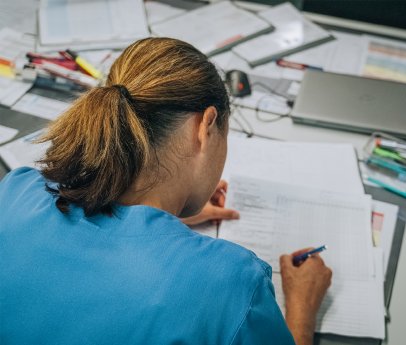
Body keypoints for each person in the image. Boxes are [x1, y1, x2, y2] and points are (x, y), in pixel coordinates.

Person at [0, 38, 332, 345]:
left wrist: (159, 222)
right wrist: (302, 311)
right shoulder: (232, 286)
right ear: (206, 126)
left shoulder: (16, 191)